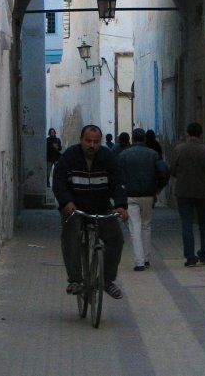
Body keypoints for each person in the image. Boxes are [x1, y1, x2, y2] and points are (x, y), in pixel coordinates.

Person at [52, 124, 128, 299]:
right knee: (71, 236)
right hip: (75, 208)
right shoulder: (70, 156)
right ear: (81, 140)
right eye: (88, 141)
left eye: (96, 141)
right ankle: (75, 280)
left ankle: (107, 280)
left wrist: (121, 205)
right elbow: (59, 181)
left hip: (101, 207)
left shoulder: (108, 157)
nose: (92, 145)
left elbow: (118, 182)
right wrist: (66, 202)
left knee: (116, 239)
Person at [118, 128, 170, 271]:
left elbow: (118, 175)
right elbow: (164, 172)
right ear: (145, 139)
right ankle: (146, 258)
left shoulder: (124, 155)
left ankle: (139, 261)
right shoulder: (153, 154)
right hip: (148, 194)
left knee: (135, 228)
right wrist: (158, 188)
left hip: (130, 195)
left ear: (132, 139)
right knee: (146, 225)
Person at [170, 122, 205, 267]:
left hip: (183, 192)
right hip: (202, 192)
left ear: (188, 134)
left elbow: (172, 170)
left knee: (186, 224)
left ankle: (190, 257)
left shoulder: (179, 150)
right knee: (203, 224)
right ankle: (204, 254)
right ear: (200, 134)